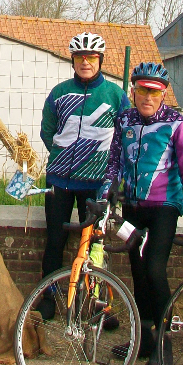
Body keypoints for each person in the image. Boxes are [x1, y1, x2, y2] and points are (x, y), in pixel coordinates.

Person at [103, 61, 183, 365]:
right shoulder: (124, 120)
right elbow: (115, 161)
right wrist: (108, 191)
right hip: (133, 206)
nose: (147, 97)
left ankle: (164, 342)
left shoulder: (178, 125)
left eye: (154, 92)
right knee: (137, 272)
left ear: (163, 94)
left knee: (154, 269)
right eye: (142, 90)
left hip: (164, 206)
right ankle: (144, 338)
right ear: (133, 91)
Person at [38, 32, 129, 320]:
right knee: (55, 241)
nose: (85, 62)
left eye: (91, 57)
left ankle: (95, 301)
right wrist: (64, 157)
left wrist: (109, 174)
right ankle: (48, 298)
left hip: (97, 184)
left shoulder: (115, 95)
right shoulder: (59, 93)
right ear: (73, 61)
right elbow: (47, 131)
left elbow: (125, 139)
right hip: (60, 180)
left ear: (100, 60)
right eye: (80, 57)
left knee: (94, 243)